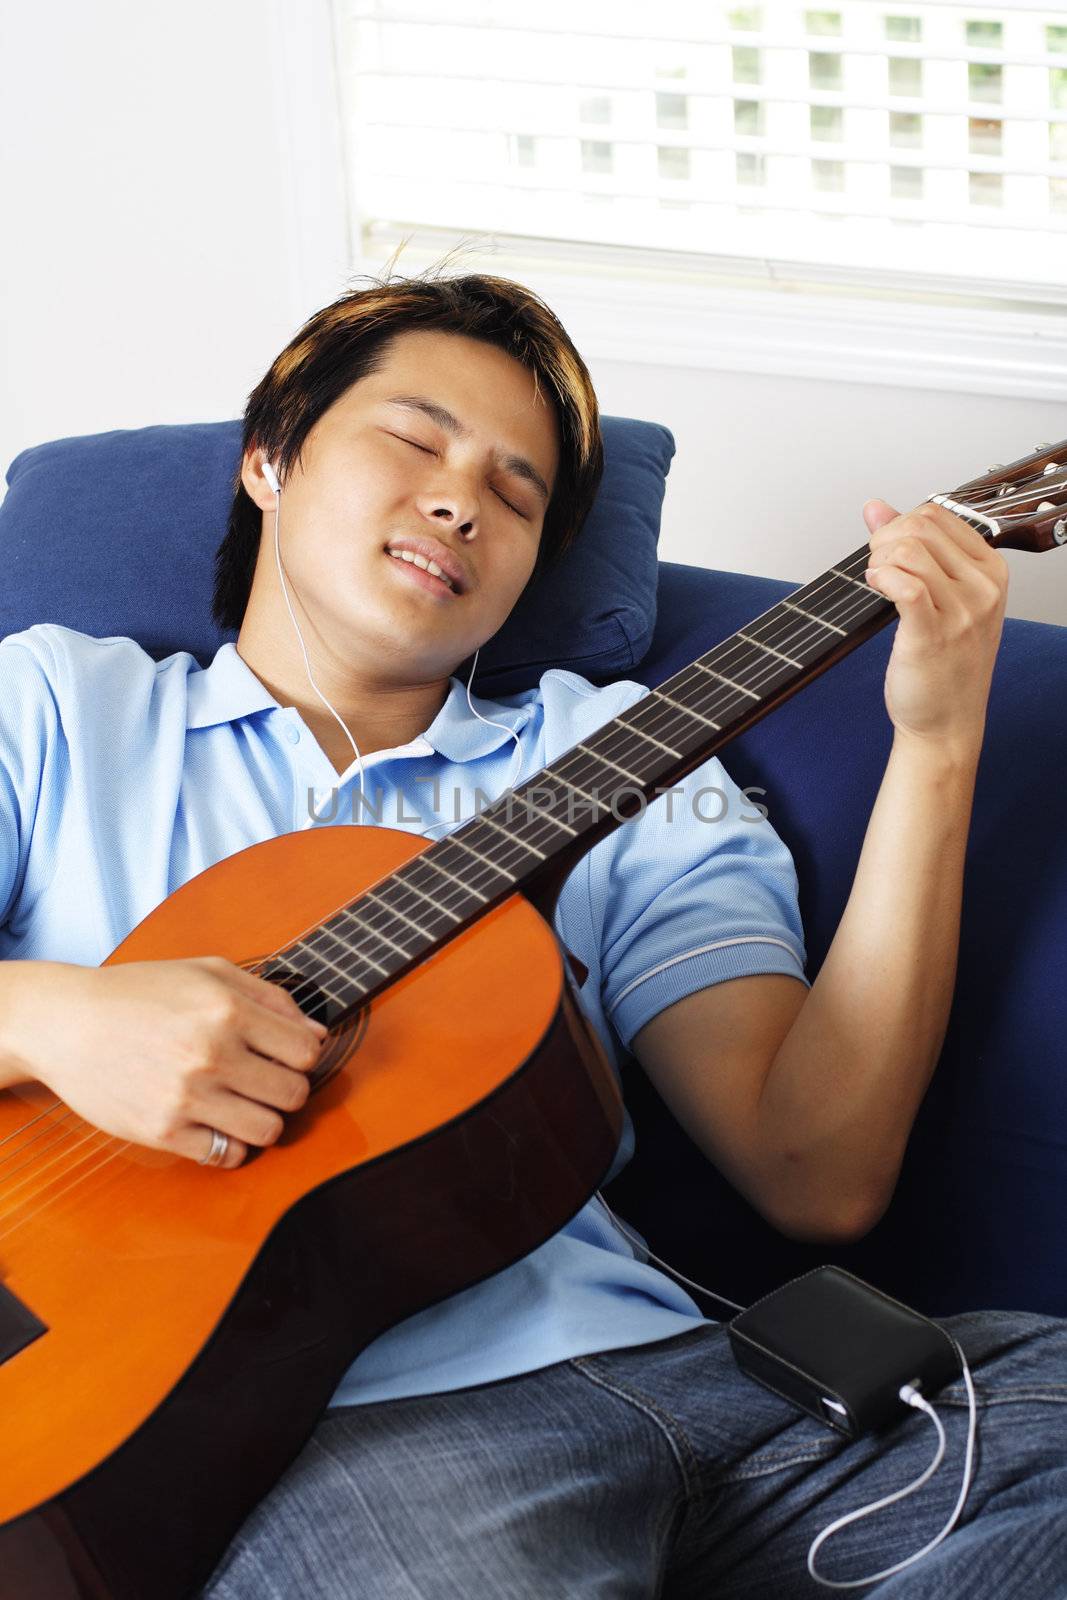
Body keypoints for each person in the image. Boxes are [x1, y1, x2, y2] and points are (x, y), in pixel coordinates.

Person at [1, 264, 1065, 1598]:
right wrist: (52, 1018)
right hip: (366, 1446)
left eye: (519, 492)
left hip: (720, 1385)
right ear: (269, 458)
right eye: (414, 438)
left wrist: (939, 738)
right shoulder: (52, 708)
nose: (464, 498)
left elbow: (816, 1169)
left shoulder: (631, 764)